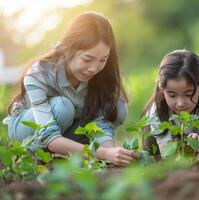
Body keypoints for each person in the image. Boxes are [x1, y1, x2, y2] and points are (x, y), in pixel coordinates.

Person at [2, 12, 138, 166]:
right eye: (87, 59)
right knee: (62, 107)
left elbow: (102, 123)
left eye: (103, 60)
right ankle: (36, 158)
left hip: (67, 129)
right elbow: (49, 136)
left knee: (117, 105)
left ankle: (64, 154)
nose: (94, 68)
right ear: (68, 49)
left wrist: (108, 153)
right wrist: (103, 153)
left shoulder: (100, 77)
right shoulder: (39, 74)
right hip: (29, 131)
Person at [143, 49, 199, 159]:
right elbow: (166, 153)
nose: (180, 104)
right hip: (163, 148)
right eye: (172, 95)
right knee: (148, 140)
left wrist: (196, 144)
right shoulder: (158, 111)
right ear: (162, 89)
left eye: (188, 94)